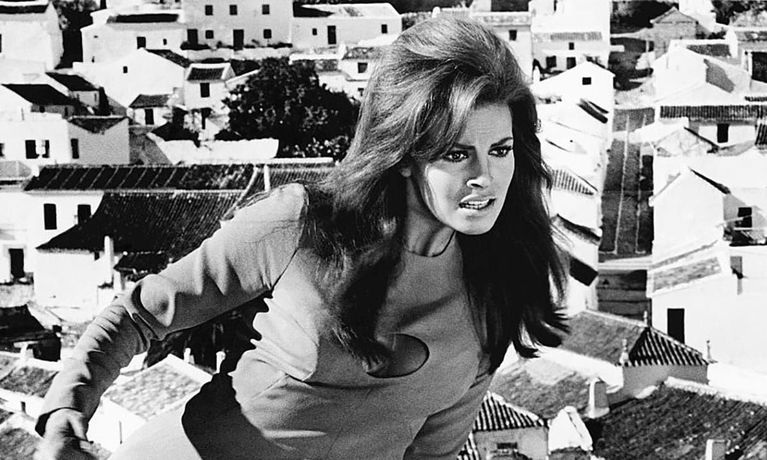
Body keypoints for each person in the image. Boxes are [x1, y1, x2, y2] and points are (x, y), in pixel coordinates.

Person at [35, 15, 568, 460]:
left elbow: (432, 454)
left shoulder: (498, 292)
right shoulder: (300, 226)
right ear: (404, 154)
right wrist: (65, 412)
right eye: (456, 153)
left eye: (500, 150)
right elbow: (138, 315)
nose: (485, 177)